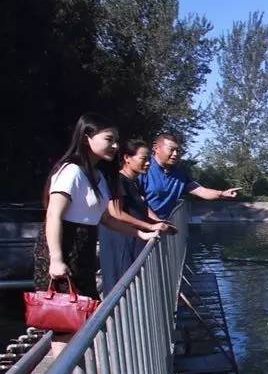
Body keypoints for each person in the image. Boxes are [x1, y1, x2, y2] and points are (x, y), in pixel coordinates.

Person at [34, 115, 158, 339]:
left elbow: (105, 218)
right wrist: (56, 259)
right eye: (109, 139)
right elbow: (53, 215)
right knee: (66, 322)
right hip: (64, 248)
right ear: (86, 138)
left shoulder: (98, 175)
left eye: (117, 141)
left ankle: (76, 372)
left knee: (83, 317)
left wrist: (140, 233)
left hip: (84, 252)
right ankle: (69, 373)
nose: (115, 146)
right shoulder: (71, 171)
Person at [100, 139, 173, 294]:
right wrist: (150, 227)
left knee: (136, 285)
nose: (147, 163)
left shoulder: (134, 182)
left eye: (148, 159)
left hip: (133, 240)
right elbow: (116, 213)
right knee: (121, 285)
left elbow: (142, 207)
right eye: (143, 159)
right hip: (119, 241)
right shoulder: (118, 180)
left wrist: (159, 221)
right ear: (127, 158)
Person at [139, 132, 241, 220]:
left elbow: (201, 191)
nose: (175, 154)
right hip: (136, 229)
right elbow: (137, 201)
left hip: (159, 230)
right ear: (156, 148)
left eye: (178, 151)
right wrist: (156, 222)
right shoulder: (142, 168)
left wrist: (222, 193)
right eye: (171, 149)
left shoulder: (179, 174)